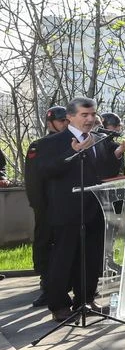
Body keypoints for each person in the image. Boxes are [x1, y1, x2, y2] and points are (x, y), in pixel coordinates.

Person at [38, 98, 122, 320]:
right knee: (64, 259)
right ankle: (59, 306)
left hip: (95, 209)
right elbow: (45, 171)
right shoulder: (52, 142)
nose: (90, 119)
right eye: (84, 115)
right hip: (66, 211)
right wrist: (71, 154)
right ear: (70, 117)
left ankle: (85, 300)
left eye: (92, 114)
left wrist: (117, 155)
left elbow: (105, 170)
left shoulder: (99, 140)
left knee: (91, 259)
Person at [25, 106, 69, 308]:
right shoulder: (39, 145)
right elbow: (33, 179)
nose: (65, 125)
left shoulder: (72, 142)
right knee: (45, 244)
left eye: (66, 121)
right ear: (50, 122)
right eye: (61, 121)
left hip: (67, 204)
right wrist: (39, 205)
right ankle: (46, 286)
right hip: (46, 205)